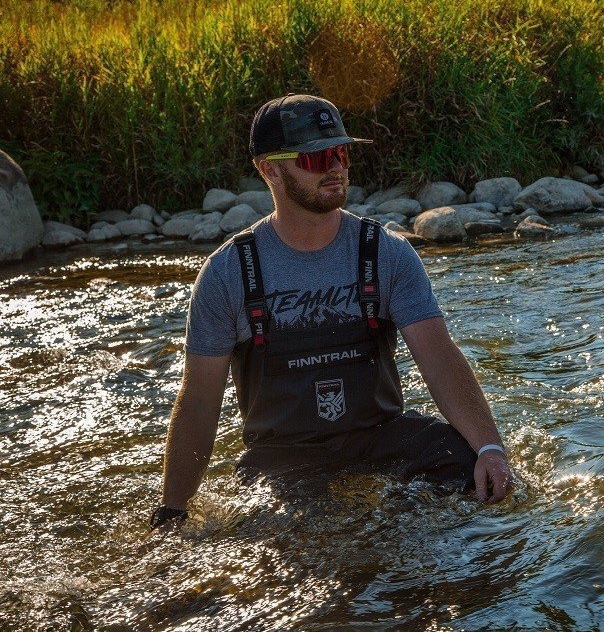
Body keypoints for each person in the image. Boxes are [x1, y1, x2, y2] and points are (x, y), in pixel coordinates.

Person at [148, 94, 513, 531]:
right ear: (269, 169)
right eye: (317, 157)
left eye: (340, 152)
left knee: (469, 469)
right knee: (278, 531)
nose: (336, 167)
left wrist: (490, 449)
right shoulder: (228, 273)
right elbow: (199, 402)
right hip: (282, 459)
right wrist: (172, 512)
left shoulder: (387, 254)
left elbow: (439, 358)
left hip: (381, 437)